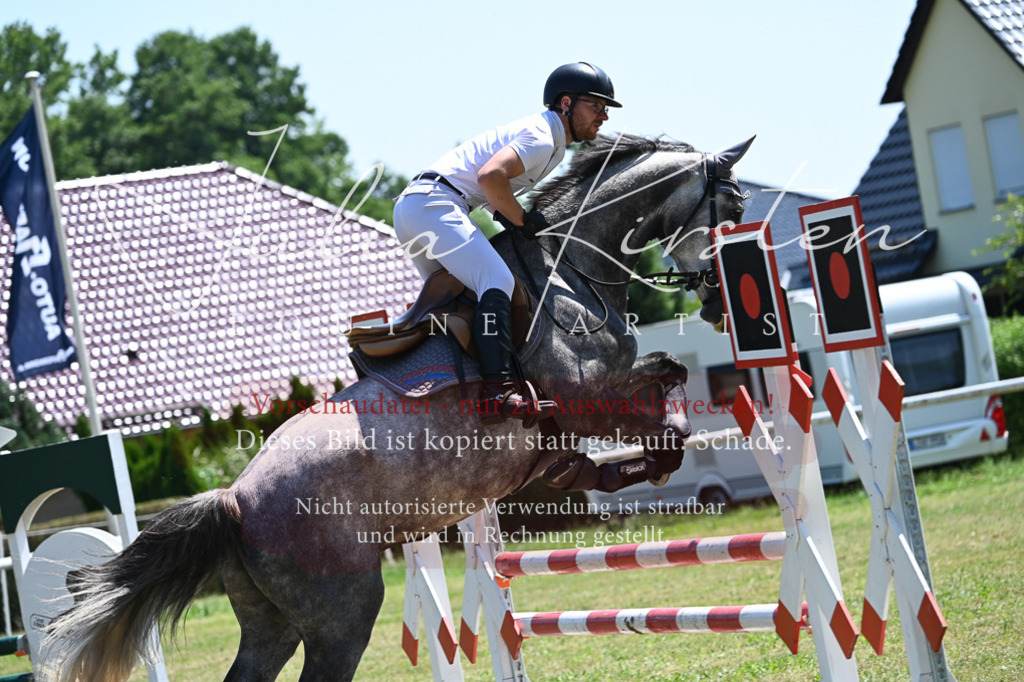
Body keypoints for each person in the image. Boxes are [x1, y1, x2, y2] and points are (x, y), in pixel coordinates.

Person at [392, 62, 621, 422]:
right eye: (596, 106)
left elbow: (490, 187)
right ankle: (496, 393)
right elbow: (490, 177)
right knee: (497, 282)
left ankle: (446, 386)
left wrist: (511, 214)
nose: (604, 116)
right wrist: (521, 218)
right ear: (566, 103)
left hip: (417, 207)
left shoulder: (551, 140)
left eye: (605, 109)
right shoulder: (543, 137)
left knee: (459, 298)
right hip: (435, 205)